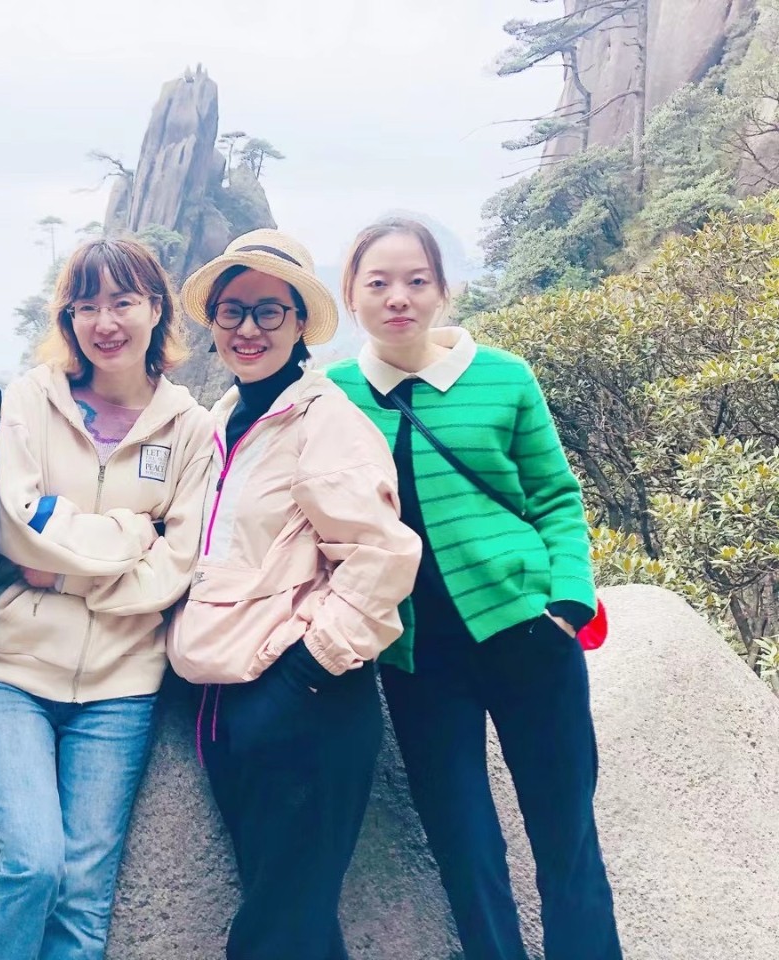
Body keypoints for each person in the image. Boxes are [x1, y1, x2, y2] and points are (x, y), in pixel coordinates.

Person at [327, 217, 622, 960]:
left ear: (442, 291)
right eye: (378, 283)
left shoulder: (503, 376)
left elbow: (555, 496)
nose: (398, 298)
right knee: (464, 843)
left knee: (566, 835)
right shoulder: (332, 397)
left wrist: (568, 603)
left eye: (416, 281)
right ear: (351, 296)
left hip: (527, 632)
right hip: (416, 655)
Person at [168, 228, 422, 960]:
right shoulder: (219, 421)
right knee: (296, 927)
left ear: (301, 322)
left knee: (272, 933)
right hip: (225, 704)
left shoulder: (324, 420)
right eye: (233, 311)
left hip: (308, 708)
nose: (249, 328)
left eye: (269, 311)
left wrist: (306, 673)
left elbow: (380, 556)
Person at [0, 237, 215, 960]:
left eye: (123, 302)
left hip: (122, 687)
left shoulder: (191, 428)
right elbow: (17, 527)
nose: (105, 322)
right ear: (68, 318)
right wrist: (134, 533)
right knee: (34, 864)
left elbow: (178, 564)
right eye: (86, 305)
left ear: (156, 310)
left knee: (83, 896)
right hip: (13, 673)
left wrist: (66, 569)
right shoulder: (32, 399)